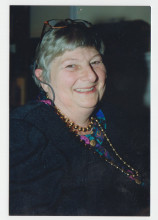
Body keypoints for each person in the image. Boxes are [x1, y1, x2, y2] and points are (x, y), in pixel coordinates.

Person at [9, 19, 150, 216]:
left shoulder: (117, 118)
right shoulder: (23, 133)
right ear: (42, 77)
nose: (91, 76)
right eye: (71, 65)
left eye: (95, 62)